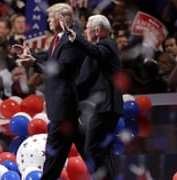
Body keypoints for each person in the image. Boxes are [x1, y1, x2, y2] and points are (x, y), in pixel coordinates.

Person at [12, 3, 87, 180]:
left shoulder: (71, 39)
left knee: (53, 158)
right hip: (62, 108)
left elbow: (60, 68)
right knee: (88, 153)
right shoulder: (58, 39)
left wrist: (34, 63)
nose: (47, 21)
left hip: (65, 108)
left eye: (50, 17)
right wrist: (30, 55)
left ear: (61, 19)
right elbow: (49, 58)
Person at [60, 14, 124, 179]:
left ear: (97, 31)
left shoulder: (107, 44)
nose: (85, 32)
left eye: (87, 29)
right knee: (102, 150)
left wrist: (74, 36)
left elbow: (95, 52)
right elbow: (84, 79)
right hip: (101, 107)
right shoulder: (95, 51)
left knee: (92, 149)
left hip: (105, 106)